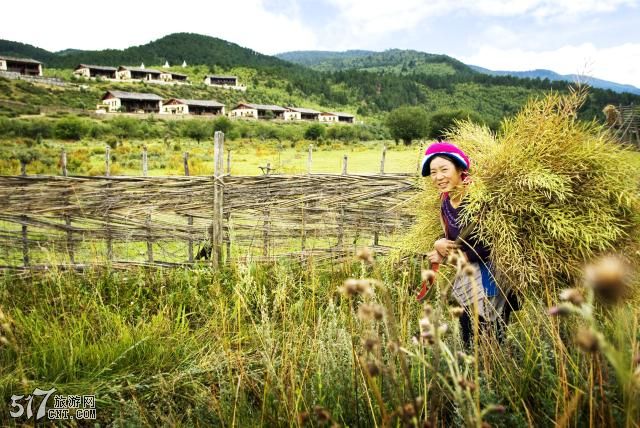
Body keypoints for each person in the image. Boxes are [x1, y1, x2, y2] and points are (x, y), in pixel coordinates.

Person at [420, 141, 518, 347]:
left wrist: (453, 256)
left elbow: (494, 241)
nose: (438, 177)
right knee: (469, 338)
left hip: (491, 278)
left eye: (444, 170)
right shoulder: (446, 199)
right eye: (433, 172)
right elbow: (455, 238)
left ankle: (495, 376)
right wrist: (440, 245)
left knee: (491, 338)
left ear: (460, 170)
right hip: (467, 277)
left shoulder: (478, 198)